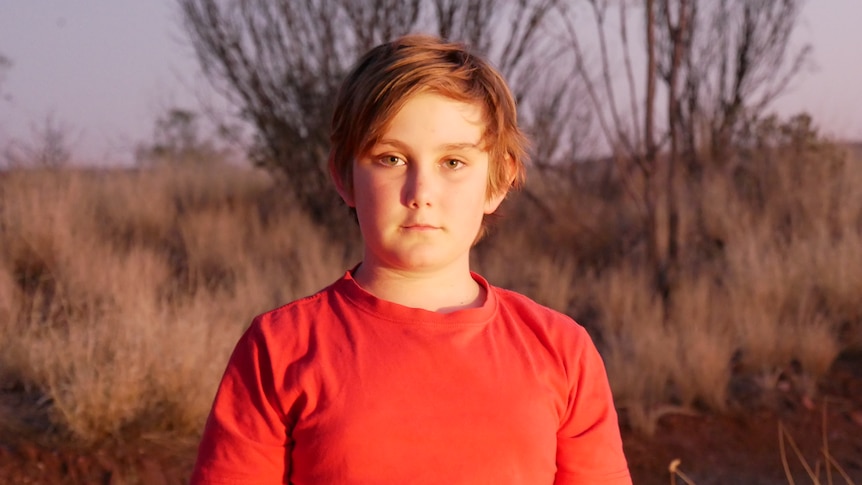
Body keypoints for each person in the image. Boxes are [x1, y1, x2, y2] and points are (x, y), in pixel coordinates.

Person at [191, 34, 631, 484]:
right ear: (344, 177)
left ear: (498, 181)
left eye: (453, 162)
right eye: (392, 158)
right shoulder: (281, 348)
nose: (421, 193)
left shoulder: (560, 351)